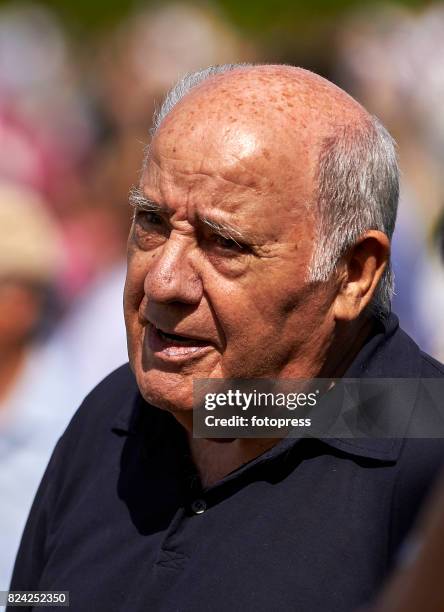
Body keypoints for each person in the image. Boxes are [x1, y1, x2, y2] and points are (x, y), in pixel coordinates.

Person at [8, 64, 444, 612]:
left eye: (225, 245)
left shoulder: (425, 460)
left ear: (354, 273)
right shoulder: (112, 417)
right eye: (152, 221)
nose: (164, 280)